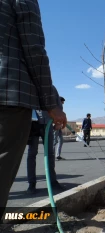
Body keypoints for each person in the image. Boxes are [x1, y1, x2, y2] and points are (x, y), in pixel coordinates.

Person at [0, 0, 67, 222]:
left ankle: (42, 182)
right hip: (9, 96)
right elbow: (34, 50)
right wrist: (52, 105)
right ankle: (31, 184)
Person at [27, 86, 65, 194]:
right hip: (32, 124)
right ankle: (31, 184)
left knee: (49, 153)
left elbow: (58, 105)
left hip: (47, 123)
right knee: (32, 153)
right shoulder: (29, 86)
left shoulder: (51, 88)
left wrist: (58, 122)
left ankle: (52, 182)